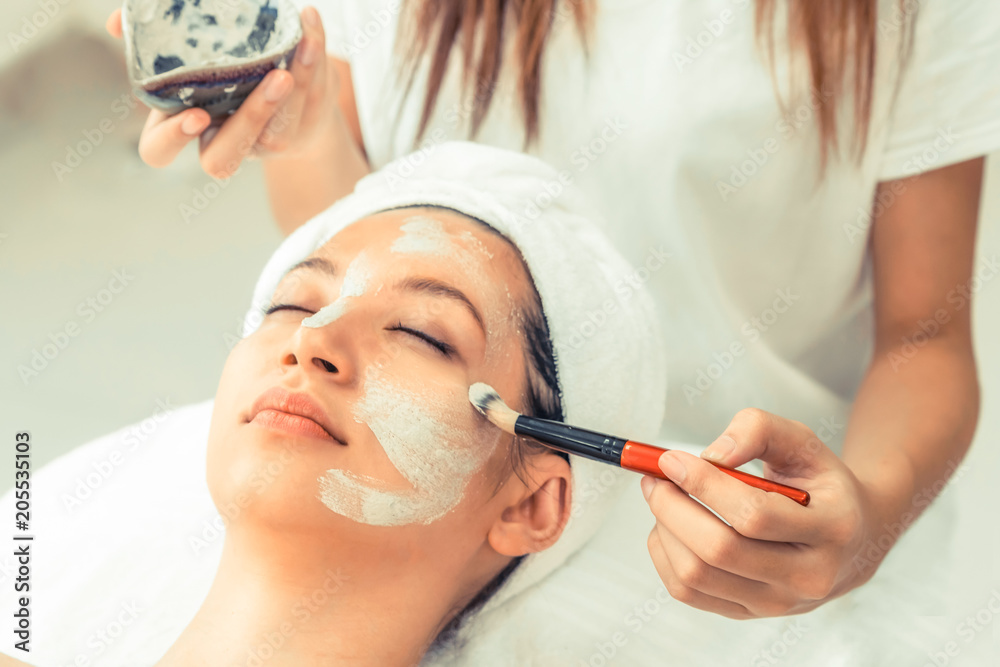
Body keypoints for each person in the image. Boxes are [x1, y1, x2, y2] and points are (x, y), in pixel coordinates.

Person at [105, 0, 999, 625]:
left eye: (425, 332)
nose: (313, 340)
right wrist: (305, 135)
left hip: (757, 529)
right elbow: (357, 214)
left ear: (540, 507)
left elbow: (926, 335)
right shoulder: (93, 538)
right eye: (295, 299)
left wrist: (865, 520)